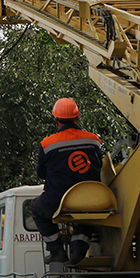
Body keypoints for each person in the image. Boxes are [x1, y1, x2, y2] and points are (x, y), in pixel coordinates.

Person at [30, 97, 104, 266]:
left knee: (36, 207)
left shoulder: (47, 144)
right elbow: (99, 165)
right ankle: (78, 252)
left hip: (59, 199)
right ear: (77, 118)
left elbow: (41, 173)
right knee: (86, 212)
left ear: (56, 120)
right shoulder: (94, 140)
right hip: (90, 197)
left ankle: (57, 251)